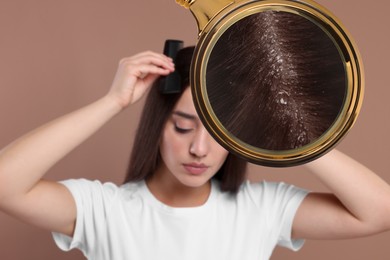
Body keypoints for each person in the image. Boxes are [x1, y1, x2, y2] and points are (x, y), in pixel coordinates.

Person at [0, 46, 389, 260]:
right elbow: (6, 184)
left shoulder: (262, 209)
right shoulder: (106, 210)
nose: (199, 148)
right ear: (158, 125)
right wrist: (113, 102)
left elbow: (380, 212)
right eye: (183, 127)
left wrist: (287, 134)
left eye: (220, 133)